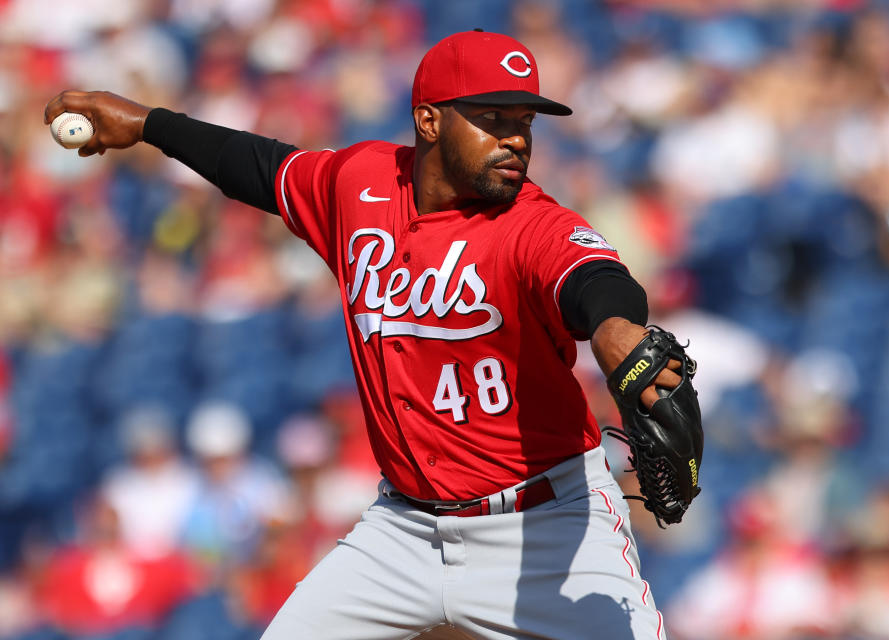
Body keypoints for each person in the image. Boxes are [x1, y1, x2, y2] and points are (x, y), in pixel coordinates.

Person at [45, 29, 693, 640]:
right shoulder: (360, 184)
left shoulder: (530, 225)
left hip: (547, 526)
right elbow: (258, 166)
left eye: (522, 123)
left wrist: (612, 329)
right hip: (403, 530)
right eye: (493, 118)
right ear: (430, 119)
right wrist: (152, 126)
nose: (516, 139)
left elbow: (593, 277)